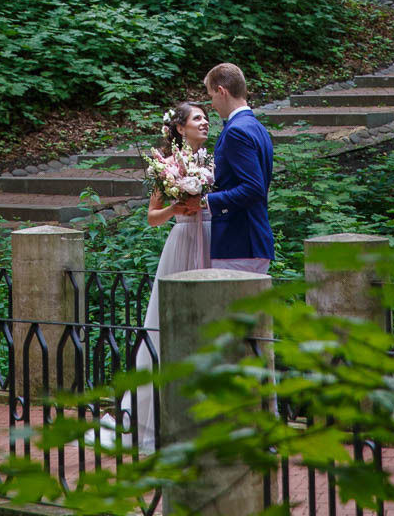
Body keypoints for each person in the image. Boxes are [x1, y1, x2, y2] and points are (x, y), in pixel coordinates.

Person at [95, 100, 211, 453]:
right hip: (183, 240)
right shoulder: (166, 166)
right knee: (167, 326)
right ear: (180, 128)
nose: (204, 122)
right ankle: (153, 420)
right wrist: (178, 207)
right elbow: (152, 217)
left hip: (212, 241)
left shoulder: (212, 161)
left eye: (206, 117)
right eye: (197, 118)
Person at [203, 62, 274, 272]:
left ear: (221, 91)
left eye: (211, 96)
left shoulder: (236, 131)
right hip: (253, 241)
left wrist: (206, 201)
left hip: (238, 241)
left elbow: (253, 188)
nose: (212, 104)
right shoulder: (257, 127)